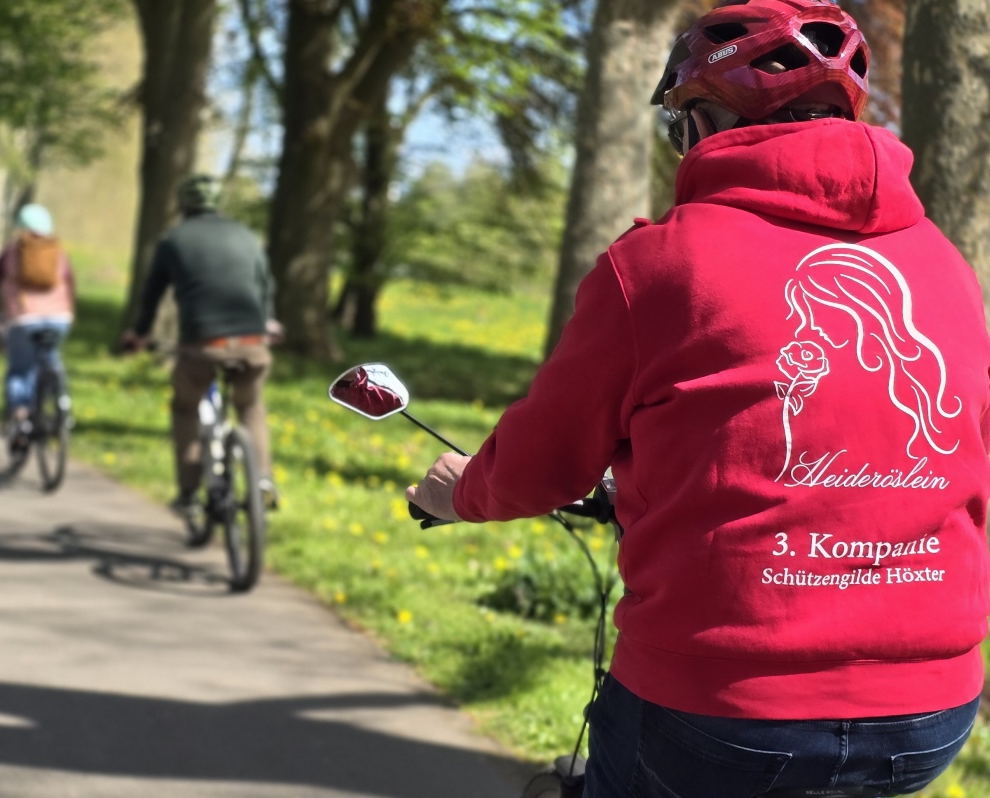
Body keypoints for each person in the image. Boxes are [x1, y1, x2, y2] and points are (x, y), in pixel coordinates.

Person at [407, 2, 990, 796]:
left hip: (721, 708)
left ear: (704, 124)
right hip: (928, 711)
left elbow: (542, 461)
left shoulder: (658, 266)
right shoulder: (946, 266)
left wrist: (461, 492)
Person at [121, 175, 282, 513]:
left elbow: (151, 295)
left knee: (185, 408)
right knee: (250, 406)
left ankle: (189, 493)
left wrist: (139, 334)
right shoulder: (247, 236)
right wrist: (267, 320)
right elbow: (265, 284)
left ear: (183, 205)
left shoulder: (173, 240)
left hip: (204, 345)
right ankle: (263, 480)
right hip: (253, 342)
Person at [0, 203, 76, 451]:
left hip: (23, 318)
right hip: (59, 318)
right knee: (51, 358)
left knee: (20, 371)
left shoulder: (12, 251)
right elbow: (70, 283)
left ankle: (20, 419)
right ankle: (61, 402)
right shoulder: (59, 252)